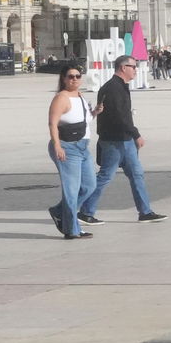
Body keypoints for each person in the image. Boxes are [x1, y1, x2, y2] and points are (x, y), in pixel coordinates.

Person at [77, 56, 167, 225]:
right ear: (123, 67)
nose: (136, 69)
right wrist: (136, 134)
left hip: (123, 140)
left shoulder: (118, 86)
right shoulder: (113, 88)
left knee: (136, 174)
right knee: (105, 176)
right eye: (133, 66)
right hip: (115, 140)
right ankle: (85, 211)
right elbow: (120, 116)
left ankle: (145, 212)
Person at [46, 66, 96, 240]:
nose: (74, 79)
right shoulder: (61, 98)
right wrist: (57, 146)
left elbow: (84, 120)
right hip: (67, 147)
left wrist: (95, 113)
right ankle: (72, 229)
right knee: (71, 190)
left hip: (83, 146)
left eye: (77, 76)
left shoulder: (80, 96)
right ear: (63, 79)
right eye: (70, 76)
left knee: (90, 185)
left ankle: (60, 211)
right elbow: (52, 124)